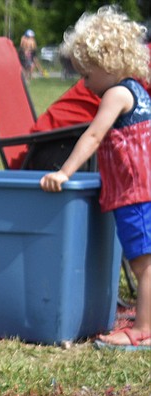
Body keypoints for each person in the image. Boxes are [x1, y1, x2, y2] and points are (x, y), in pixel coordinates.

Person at [40, 7, 151, 350]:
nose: (84, 84)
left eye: (86, 75)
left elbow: (92, 136)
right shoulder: (140, 92)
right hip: (143, 188)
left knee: (143, 264)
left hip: (136, 193)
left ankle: (142, 329)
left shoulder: (116, 95)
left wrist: (64, 171)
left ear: (107, 64)